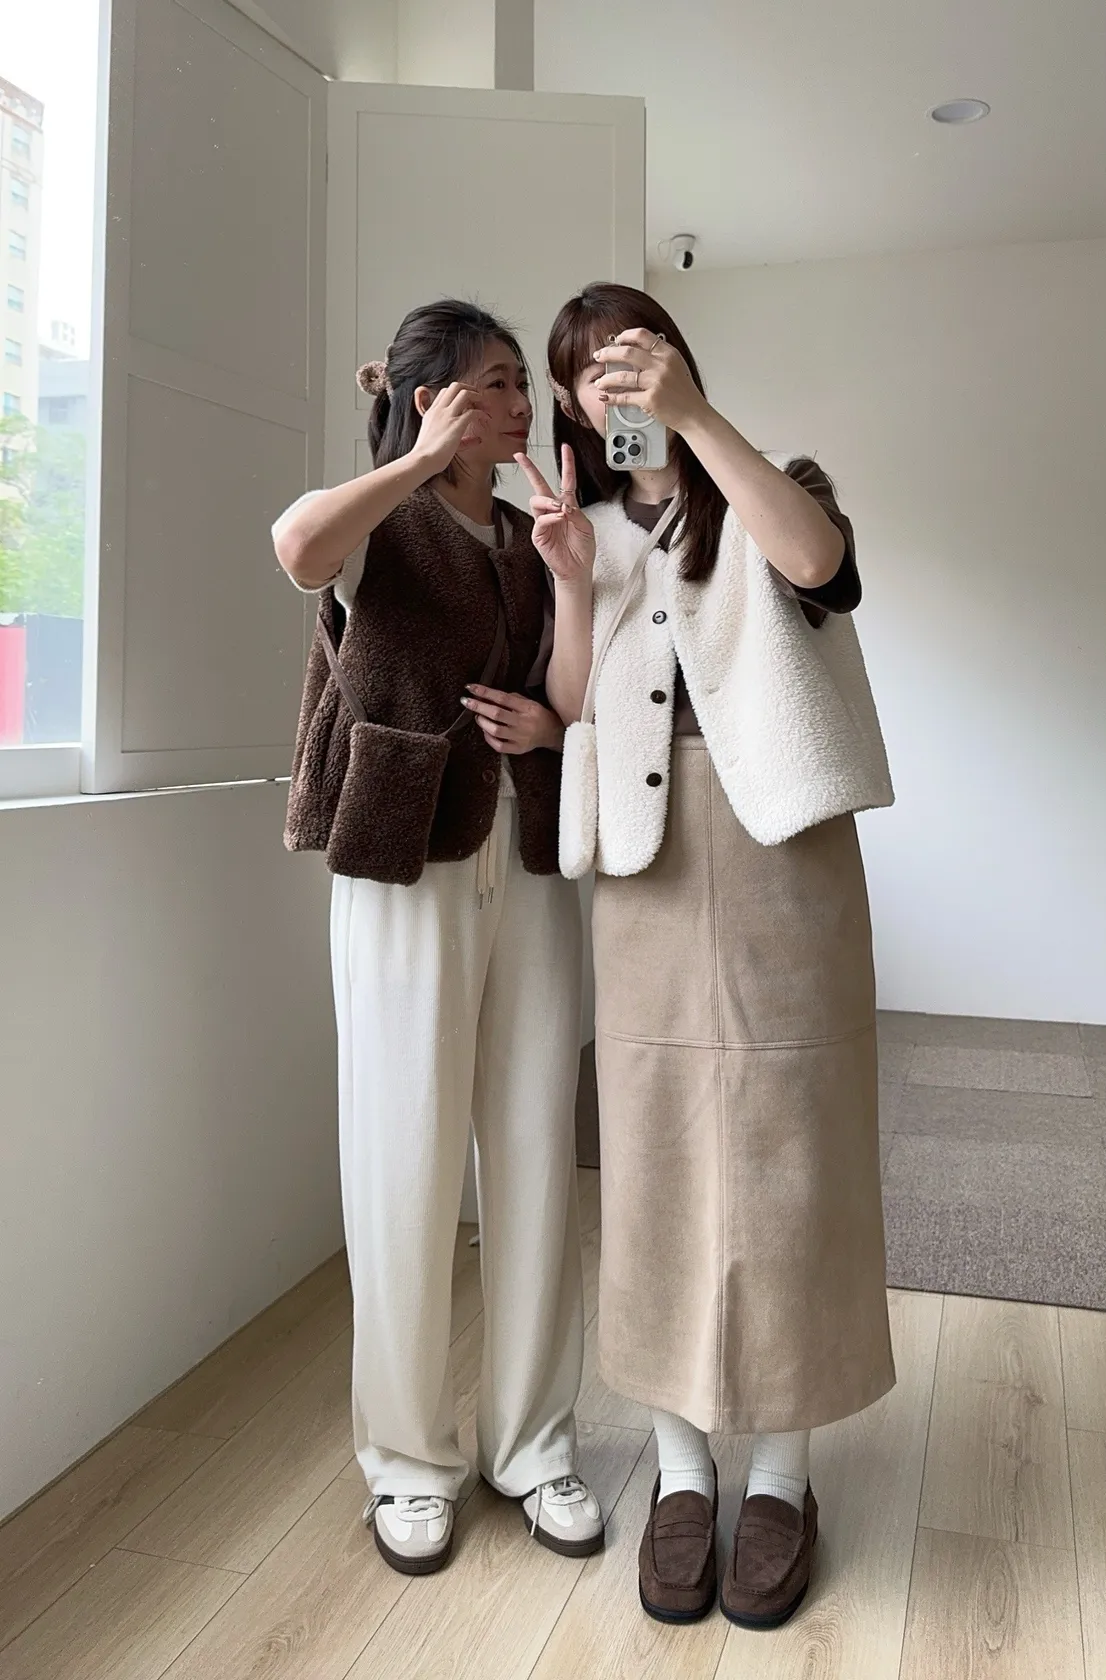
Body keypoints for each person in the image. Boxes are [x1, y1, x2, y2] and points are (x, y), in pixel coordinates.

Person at [518, 281, 895, 1630]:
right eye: (588, 370)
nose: (614, 382)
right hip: (645, 861)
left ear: (676, 359)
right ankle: (683, 1470)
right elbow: (573, 704)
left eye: (637, 354)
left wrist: (696, 422)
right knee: (656, 1149)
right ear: (569, 403)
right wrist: (572, 580)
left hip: (783, 849)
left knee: (798, 1146)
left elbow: (823, 568)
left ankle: (784, 1475)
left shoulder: (765, 477)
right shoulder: (581, 527)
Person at [272, 299, 603, 1577]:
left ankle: (535, 1443)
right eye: (499, 382)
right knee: (403, 1160)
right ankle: (408, 1464)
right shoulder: (383, 521)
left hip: (524, 857)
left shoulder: (529, 533)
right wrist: (412, 461)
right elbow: (297, 547)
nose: (523, 406)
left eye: (522, 383)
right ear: (434, 401)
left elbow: (566, 696)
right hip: (403, 859)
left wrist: (569, 589)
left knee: (533, 1152)